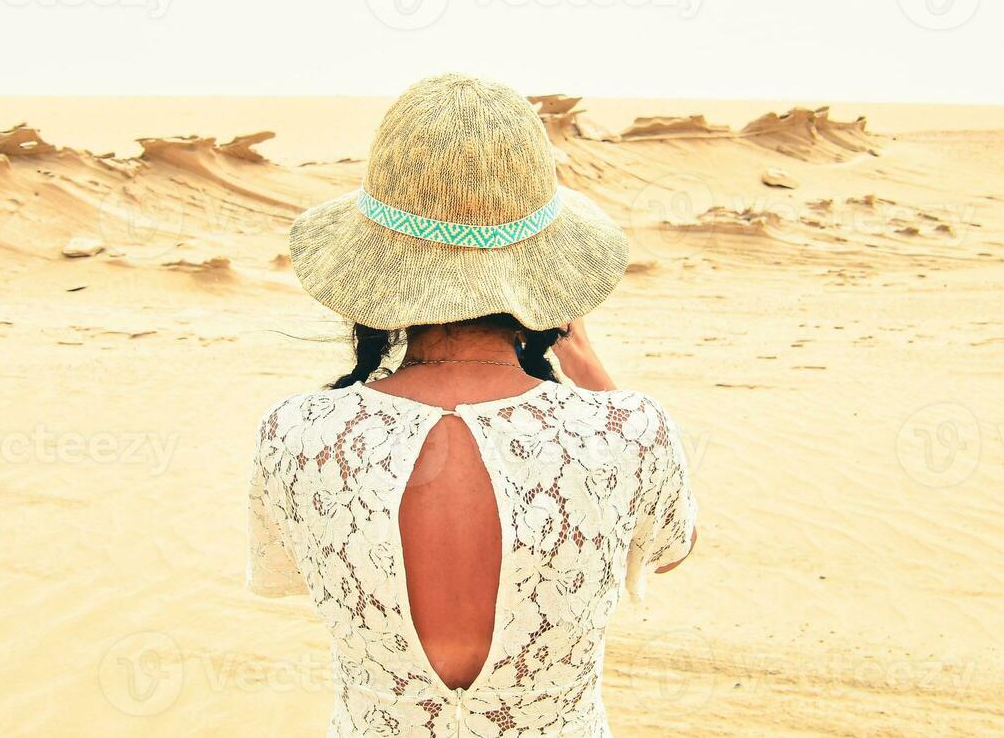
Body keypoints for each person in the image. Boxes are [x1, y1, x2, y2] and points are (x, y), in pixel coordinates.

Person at [248, 74, 699, 736]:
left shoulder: (295, 434)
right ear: (544, 275)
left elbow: (289, 567)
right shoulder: (629, 431)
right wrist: (584, 358)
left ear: (378, 271)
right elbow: (673, 544)